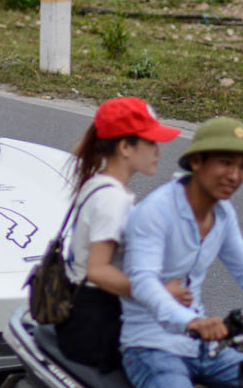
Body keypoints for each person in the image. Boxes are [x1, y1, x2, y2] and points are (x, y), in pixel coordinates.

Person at [121, 117, 243, 388]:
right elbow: (143, 282)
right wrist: (190, 321)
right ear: (197, 162)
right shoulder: (156, 212)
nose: (235, 175)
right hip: (150, 348)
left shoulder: (222, 213)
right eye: (226, 163)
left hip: (201, 347)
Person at [56, 97, 184, 371]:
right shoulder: (113, 200)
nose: (158, 151)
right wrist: (159, 292)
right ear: (125, 147)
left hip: (83, 312)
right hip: (96, 325)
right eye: (151, 142)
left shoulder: (97, 184)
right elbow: (98, 271)